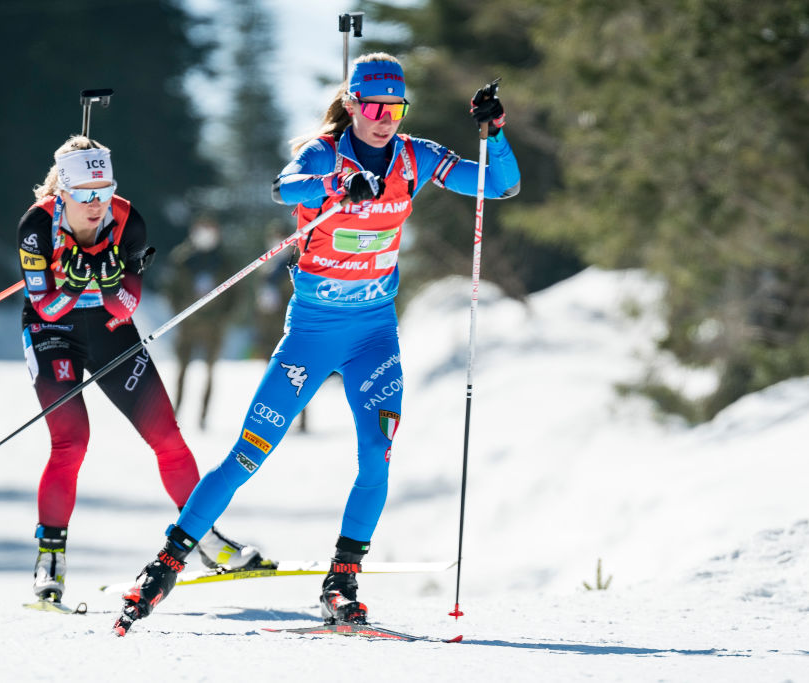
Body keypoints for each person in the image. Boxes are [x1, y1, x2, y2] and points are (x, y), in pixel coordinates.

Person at [112, 53, 520, 634]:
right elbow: (285, 187)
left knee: (375, 458)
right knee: (247, 456)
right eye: (375, 106)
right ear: (352, 104)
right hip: (311, 337)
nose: (385, 119)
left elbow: (500, 186)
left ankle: (342, 579)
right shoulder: (324, 153)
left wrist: (494, 133)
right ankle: (166, 564)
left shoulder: (414, 156)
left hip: (375, 336)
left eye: (395, 108)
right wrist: (338, 183)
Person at [17, 136, 270, 604]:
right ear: (64, 193)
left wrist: (108, 278)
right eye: (86, 193)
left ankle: (206, 539)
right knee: (71, 441)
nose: (97, 204)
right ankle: (50, 557)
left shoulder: (126, 218)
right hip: (53, 333)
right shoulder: (37, 226)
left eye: (105, 190)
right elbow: (46, 306)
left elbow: (128, 302)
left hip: (111, 327)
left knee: (168, 439)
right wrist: (74, 281)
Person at [166, 217, 236, 430]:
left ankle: (203, 417)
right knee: (181, 369)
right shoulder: (182, 258)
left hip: (214, 326)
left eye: (210, 228)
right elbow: (170, 290)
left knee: (210, 370)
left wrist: (223, 317)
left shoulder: (224, 260)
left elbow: (236, 294)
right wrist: (180, 314)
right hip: (187, 325)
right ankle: (175, 414)